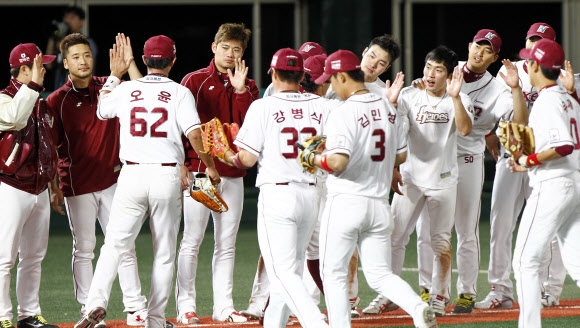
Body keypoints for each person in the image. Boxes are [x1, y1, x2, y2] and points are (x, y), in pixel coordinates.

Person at [75, 35, 219, 328]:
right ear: (173, 61)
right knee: (164, 254)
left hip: (131, 174)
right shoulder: (179, 93)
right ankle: (154, 320)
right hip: (167, 175)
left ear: (143, 60)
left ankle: (96, 302)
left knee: (114, 244)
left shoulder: (128, 89)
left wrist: (115, 76)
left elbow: (102, 110)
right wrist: (210, 166)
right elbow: (194, 134)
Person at [309, 49, 438, 328]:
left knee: (332, 273)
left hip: (346, 202)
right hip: (379, 205)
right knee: (379, 274)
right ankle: (417, 307)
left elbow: (338, 162)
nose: (331, 85)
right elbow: (401, 157)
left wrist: (313, 156)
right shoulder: (387, 108)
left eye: (332, 79)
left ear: (343, 76)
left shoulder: (342, 112)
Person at [411, 29, 528, 314]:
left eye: (487, 50)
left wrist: (515, 90)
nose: (480, 52)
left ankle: (466, 292)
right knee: (426, 229)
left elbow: (519, 121)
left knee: (466, 229)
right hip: (435, 158)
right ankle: (429, 290)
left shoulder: (497, 87)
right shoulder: (447, 68)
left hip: (466, 157)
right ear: (469, 45)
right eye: (478, 46)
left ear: (495, 57)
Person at [219, 47, 333, 328]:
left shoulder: (263, 106)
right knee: (291, 269)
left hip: (278, 196)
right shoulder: (322, 106)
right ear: (303, 74)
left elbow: (246, 159)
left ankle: (317, 323)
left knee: (282, 272)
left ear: (272, 72)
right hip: (311, 193)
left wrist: (226, 155)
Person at [364, 45, 474, 317]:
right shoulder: (410, 95)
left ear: (450, 75)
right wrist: (390, 104)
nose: (431, 74)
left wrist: (456, 97)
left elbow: (464, 129)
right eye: (428, 67)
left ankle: (439, 296)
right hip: (410, 179)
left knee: (441, 244)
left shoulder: (459, 98)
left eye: (439, 70)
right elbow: (394, 131)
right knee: (394, 237)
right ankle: (387, 294)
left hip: (443, 181)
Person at [46, 33, 147, 327]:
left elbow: (144, 91)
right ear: (66, 63)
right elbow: (52, 148)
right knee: (84, 248)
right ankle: (88, 309)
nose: (83, 61)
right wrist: (54, 187)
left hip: (114, 180)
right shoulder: (57, 100)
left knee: (125, 245)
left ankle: (135, 308)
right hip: (77, 185)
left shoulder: (109, 86)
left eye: (87, 55)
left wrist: (128, 65)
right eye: (76, 57)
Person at [476, 22, 571, 310]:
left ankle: (549, 289)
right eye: (531, 38)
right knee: (500, 223)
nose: (533, 44)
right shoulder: (510, 71)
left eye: (540, 40)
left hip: (546, 160)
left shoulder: (561, 77)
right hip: (514, 153)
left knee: (551, 225)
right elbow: (515, 122)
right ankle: (500, 291)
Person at [175, 22, 259, 324]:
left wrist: (239, 92)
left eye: (237, 49)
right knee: (192, 240)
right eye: (225, 47)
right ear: (214, 47)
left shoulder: (248, 86)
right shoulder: (193, 80)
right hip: (199, 171)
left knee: (227, 243)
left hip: (233, 174)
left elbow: (249, 130)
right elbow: (180, 127)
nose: (230, 53)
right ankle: (186, 308)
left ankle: (224, 307)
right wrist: (181, 163)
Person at [509, 38, 580, 328]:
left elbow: (562, 145)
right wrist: (525, 148)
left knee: (525, 261)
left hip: (554, 185)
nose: (526, 64)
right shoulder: (569, 98)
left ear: (535, 66)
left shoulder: (549, 99)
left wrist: (527, 161)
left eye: (529, 60)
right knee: (576, 261)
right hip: (573, 183)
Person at [0, 44, 59, 328]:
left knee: (34, 257)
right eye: (39, 65)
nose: (44, 70)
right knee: (3, 258)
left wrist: (54, 185)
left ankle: (28, 314)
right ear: (24, 69)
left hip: (39, 188)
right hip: (10, 186)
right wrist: (34, 85)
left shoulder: (41, 101)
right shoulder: (4, 98)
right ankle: (2, 317)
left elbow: (50, 146)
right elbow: (14, 119)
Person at [46, 6, 97, 90]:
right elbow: (49, 64)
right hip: (60, 93)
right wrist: (52, 38)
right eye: (66, 17)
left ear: (81, 21)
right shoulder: (60, 42)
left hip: (82, 92)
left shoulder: (87, 42)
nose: (68, 21)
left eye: (72, 17)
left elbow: (85, 66)